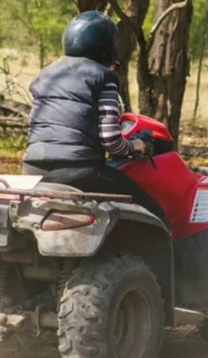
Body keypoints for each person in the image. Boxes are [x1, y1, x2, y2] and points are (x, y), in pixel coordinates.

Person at [21, 11, 167, 222]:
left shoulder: (46, 74)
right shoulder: (102, 76)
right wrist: (137, 146)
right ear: (105, 47)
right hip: (79, 171)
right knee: (154, 211)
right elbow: (111, 140)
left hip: (32, 168)